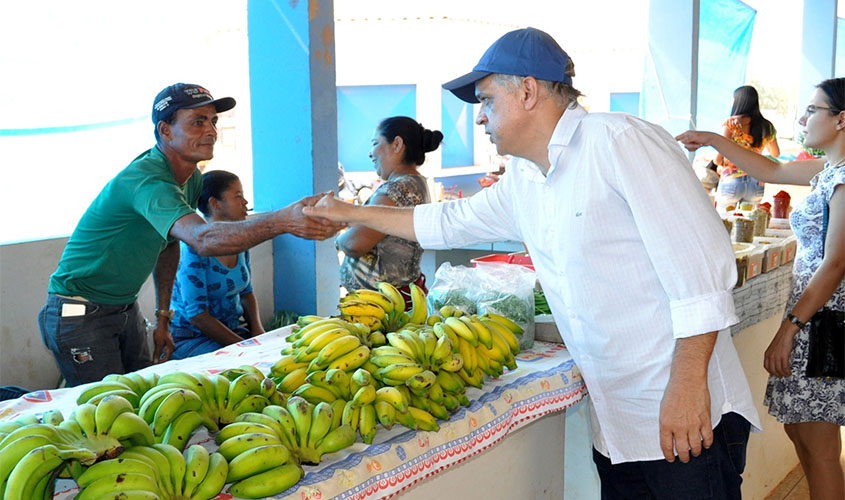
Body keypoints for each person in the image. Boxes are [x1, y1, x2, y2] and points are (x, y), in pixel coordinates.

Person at [305, 27, 759, 499]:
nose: (480, 119)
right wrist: (349, 212)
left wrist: (686, 388)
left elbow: (702, 274)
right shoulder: (527, 176)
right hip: (620, 423)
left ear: (527, 90)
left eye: (485, 101)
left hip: (684, 412)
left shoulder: (619, 142)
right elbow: (450, 221)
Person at [38, 83, 342, 386]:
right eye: (198, 122)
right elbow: (202, 239)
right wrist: (283, 221)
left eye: (213, 121)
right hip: (79, 312)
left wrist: (162, 317)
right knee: (105, 410)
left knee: (137, 401)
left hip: (124, 308)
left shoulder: (190, 178)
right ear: (166, 131)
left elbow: (170, 245)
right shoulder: (148, 180)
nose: (210, 131)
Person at [677, 78, 845, 500]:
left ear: (841, 119)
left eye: (813, 110)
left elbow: (836, 263)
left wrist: (789, 328)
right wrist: (714, 138)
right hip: (812, 317)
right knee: (802, 435)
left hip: (823, 323)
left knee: (819, 445)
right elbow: (768, 169)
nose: (803, 119)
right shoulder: (830, 169)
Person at [337, 117, 442, 308]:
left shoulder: (398, 189)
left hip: (382, 307)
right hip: (399, 298)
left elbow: (355, 243)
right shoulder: (416, 183)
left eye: (376, 143)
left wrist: (338, 240)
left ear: (397, 144)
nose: (371, 153)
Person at [170, 170, 265, 359]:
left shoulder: (239, 240)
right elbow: (197, 316)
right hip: (193, 339)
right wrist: (242, 348)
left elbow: (247, 293)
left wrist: (258, 331)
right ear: (215, 204)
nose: (245, 202)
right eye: (238, 196)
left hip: (233, 332)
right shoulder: (193, 248)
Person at [714, 85, 780, 210]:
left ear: (738, 101)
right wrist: (758, 145)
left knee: (724, 223)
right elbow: (775, 153)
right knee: (748, 225)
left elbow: (718, 159)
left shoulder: (731, 124)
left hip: (732, 181)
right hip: (756, 183)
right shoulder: (767, 126)